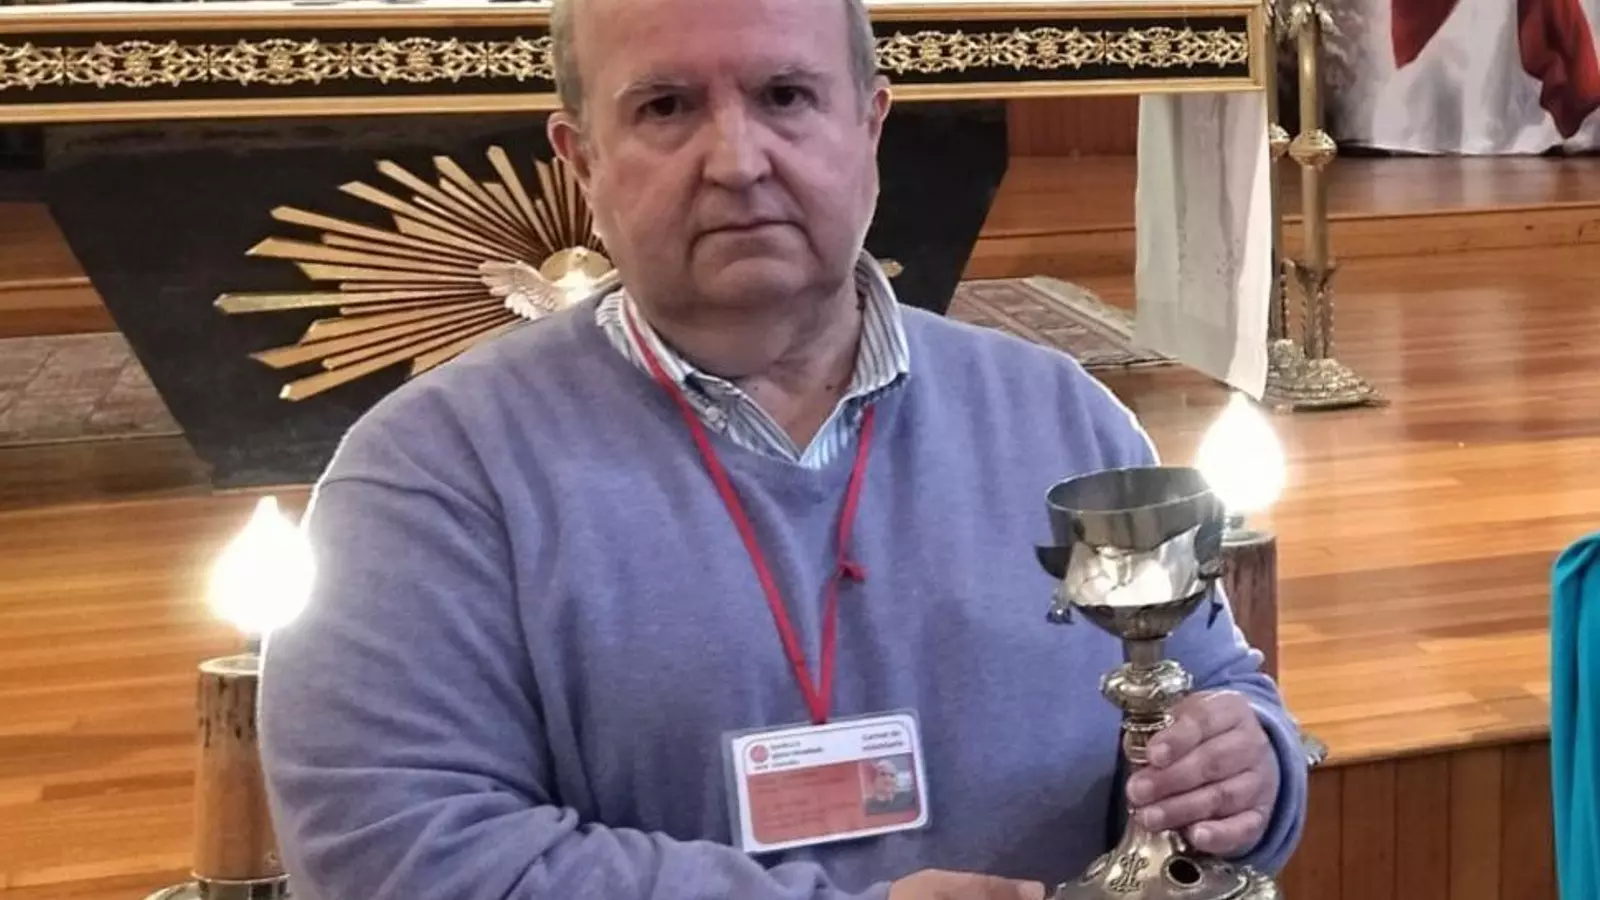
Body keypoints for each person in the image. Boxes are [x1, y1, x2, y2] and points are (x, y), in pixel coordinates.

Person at [257, 0, 1309, 898]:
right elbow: (393, 853)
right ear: (581, 162)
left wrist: (1247, 773)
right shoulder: (431, 476)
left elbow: (1212, 686)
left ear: (870, 126)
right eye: (665, 107)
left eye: (786, 96)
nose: (737, 160)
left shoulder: (1054, 416)